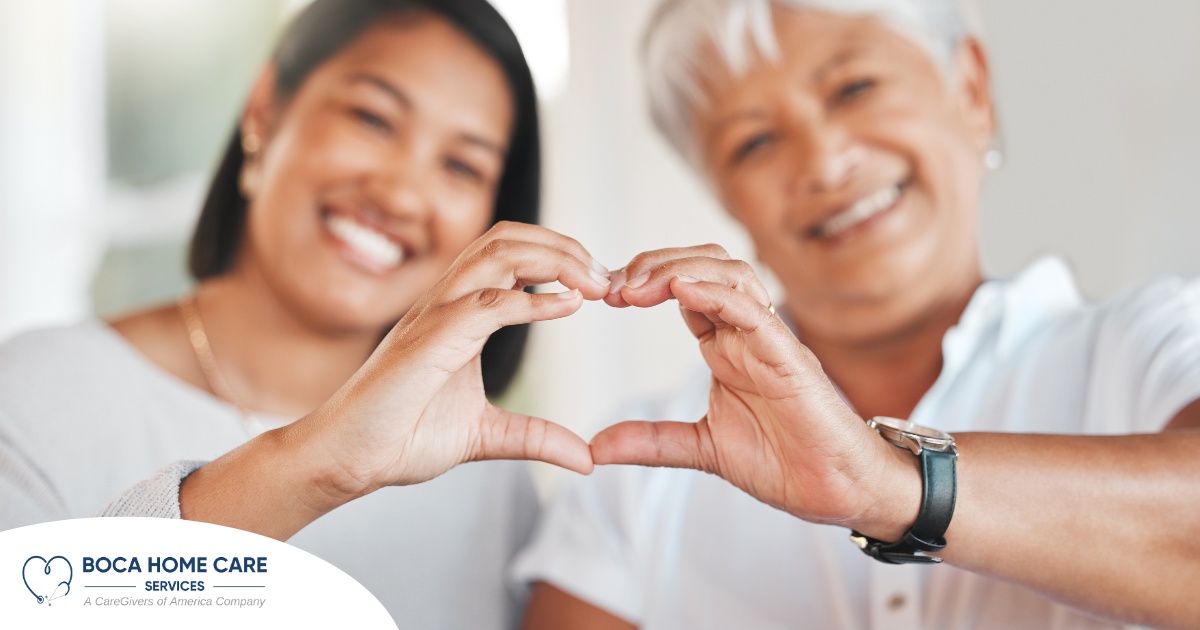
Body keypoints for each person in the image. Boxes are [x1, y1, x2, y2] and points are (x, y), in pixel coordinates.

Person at [515, 1, 1200, 628]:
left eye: (853, 88)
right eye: (754, 142)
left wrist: (892, 485)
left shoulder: (1151, 346)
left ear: (970, 89)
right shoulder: (637, 478)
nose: (823, 161)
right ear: (726, 198)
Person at [0, 0, 607, 626]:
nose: (399, 194)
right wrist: (314, 465)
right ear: (266, 109)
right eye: (372, 118)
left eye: (461, 165)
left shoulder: (486, 481)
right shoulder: (36, 396)